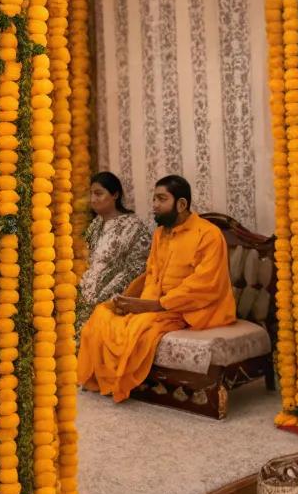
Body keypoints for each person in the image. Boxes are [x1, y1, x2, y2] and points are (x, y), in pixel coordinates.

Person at [77, 174, 236, 403]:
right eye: (154, 199)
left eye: (161, 199)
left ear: (181, 204)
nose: (154, 205)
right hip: (158, 306)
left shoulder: (209, 235)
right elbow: (152, 276)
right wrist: (138, 304)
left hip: (194, 310)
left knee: (140, 325)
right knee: (103, 312)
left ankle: (118, 381)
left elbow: (204, 285)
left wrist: (155, 306)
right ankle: (102, 379)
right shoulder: (161, 233)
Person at [76, 172, 150, 332]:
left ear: (115, 194)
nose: (93, 199)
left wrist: (102, 299)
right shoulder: (93, 226)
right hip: (80, 303)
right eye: (91, 194)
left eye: (98, 193)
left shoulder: (133, 227)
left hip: (111, 305)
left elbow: (136, 270)